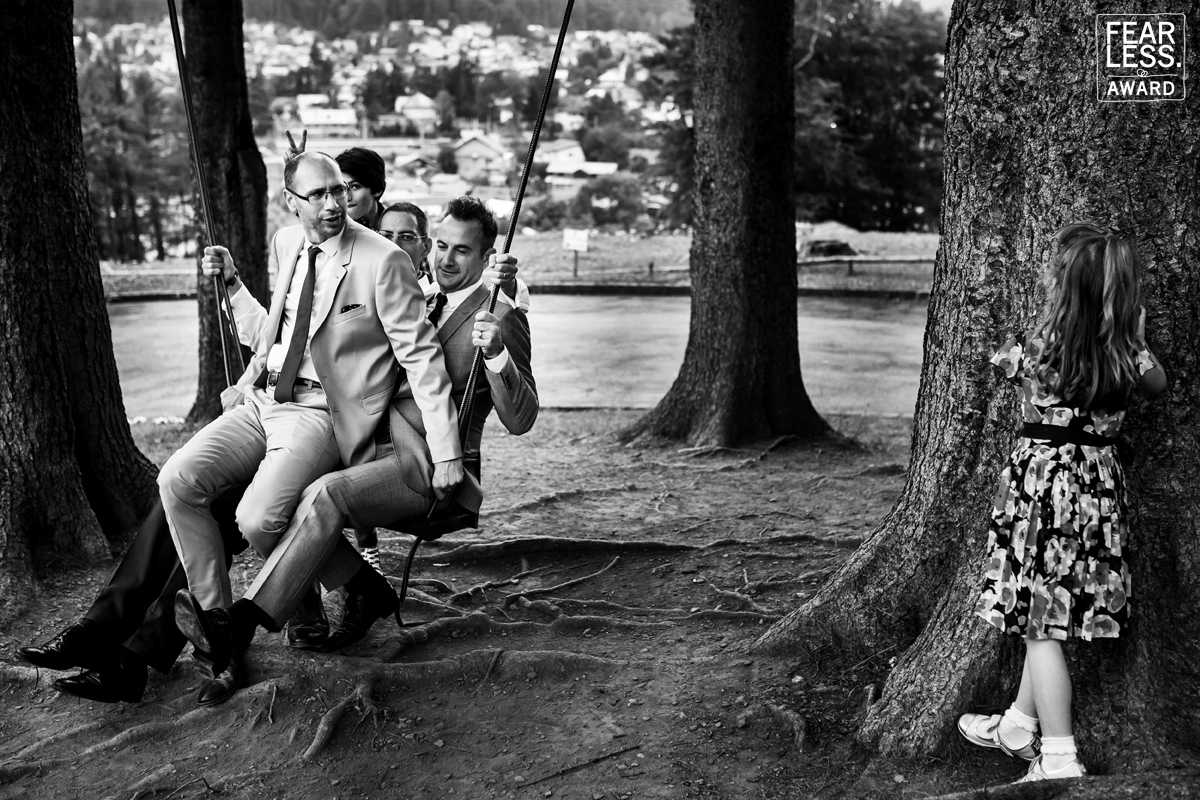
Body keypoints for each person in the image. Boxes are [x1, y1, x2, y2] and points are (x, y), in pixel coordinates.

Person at [172, 196, 539, 704]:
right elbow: (302, 333)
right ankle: (362, 590)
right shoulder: (417, 294)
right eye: (441, 246)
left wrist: (496, 353)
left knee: (323, 494)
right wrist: (234, 289)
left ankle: (238, 623)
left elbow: (522, 418)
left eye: (463, 251)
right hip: (369, 444)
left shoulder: (500, 315)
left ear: (486, 256)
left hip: (429, 467)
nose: (446, 259)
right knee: (274, 493)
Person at [957, 224, 1166, 782]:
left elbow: (999, 364)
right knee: (1046, 610)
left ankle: (1058, 759)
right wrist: (1134, 337)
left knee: (1038, 624)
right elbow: (1158, 386)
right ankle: (1017, 726)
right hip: (1096, 491)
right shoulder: (1127, 353)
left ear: (1062, 288)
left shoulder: (1033, 347)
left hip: (1042, 488)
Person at [336, 147, 387, 231]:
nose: (347, 197)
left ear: (378, 189)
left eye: (355, 186)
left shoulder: (399, 225)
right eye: (341, 188)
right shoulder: (332, 232)